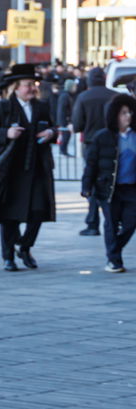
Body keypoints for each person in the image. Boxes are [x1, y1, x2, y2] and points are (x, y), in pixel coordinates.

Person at [0, 63, 57, 271]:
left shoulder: (42, 107)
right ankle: (8, 256)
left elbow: (52, 127)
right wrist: (5, 134)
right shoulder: (0, 107)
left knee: (38, 212)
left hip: (37, 167)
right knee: (9, 216)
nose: (32, 88)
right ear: (16, 87)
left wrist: (51, 134)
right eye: (28, 85)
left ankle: (25, 247)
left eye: (33, 84)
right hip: (10, 170)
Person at [81, 92, 136, 274]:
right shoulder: (102, 137)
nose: (128, 116)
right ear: (115, 116)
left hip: (132, 188)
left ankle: (115, 249)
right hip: (109, 188)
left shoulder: (134, 136)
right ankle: (114, 260)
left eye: (130, 112)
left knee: (130, 223)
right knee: (111, 224)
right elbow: (92, 163)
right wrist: (87, 186)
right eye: (124, 113)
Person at [71, 66, 116, 237]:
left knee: (91, 181)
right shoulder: (113, 96)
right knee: (112, 181)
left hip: (90, 143)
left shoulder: (83, 97)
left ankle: (92, 222)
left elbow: (77, 125)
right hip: (112, 143)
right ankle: (113, 220)